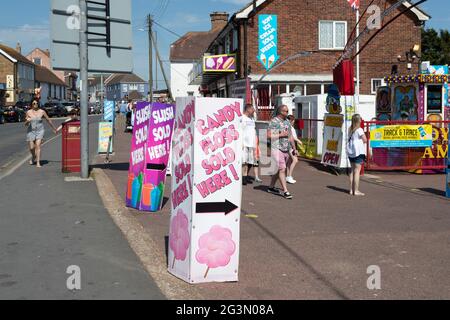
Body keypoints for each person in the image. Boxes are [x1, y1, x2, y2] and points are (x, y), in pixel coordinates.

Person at [267, 105, 297, 199]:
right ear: (280, 112)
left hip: (286, 148)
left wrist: (294, 148)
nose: (287, 113)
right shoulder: (274, 121)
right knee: (282, 169)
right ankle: (286, 191)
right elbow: (268, 135)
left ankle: (271, 187)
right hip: (276, 148)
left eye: (287, 111)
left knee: (278, 170)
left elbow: (290, 136)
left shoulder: (287, 121)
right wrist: (280, 134)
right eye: (285, 111)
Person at [24, 99, 57, 168]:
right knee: (31, 147)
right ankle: (33, 156)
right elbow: (25, 124)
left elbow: (48, 120)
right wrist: (27, 121)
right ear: (31, 104)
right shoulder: (28, 112)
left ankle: (38, 162)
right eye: (33, 103)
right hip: (31, 131)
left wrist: (54, 128)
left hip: (40, 130)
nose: (35, 104)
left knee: (38, 146)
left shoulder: (42, 111)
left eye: (36, 103)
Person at [346, 114, 367, 196]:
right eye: (360, 119)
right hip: (358, 151)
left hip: (351, 151)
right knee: (357, 171)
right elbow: (365, 139)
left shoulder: (350, 129)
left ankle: (351, 190)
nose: (361, 120)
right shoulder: (359, 130)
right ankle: (356, 190)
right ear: (358, 121)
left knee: (352, 170)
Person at [241, 104, 261, 185]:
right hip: (245, 144)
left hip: (252, 143)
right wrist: (241, 142)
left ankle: (245, 176)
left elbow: (253, 130)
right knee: (244, 162)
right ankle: (243, 178)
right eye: (252, 109)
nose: (254, 111)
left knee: (250, 162)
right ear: (248, 109)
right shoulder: (242, 118)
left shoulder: (252, 118)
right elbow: (240, 131)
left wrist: (256, 142)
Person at [286, 115, 303, 184]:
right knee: (295, 160)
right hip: (290, 145)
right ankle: (289, 176)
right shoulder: (289, 127)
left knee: (290, 161)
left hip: (290, 145)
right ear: (291, 121)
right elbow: (291, 137)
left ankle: (287, 176)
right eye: (293, 121)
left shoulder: (289, 127)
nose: (293, 122)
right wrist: (298, 140)